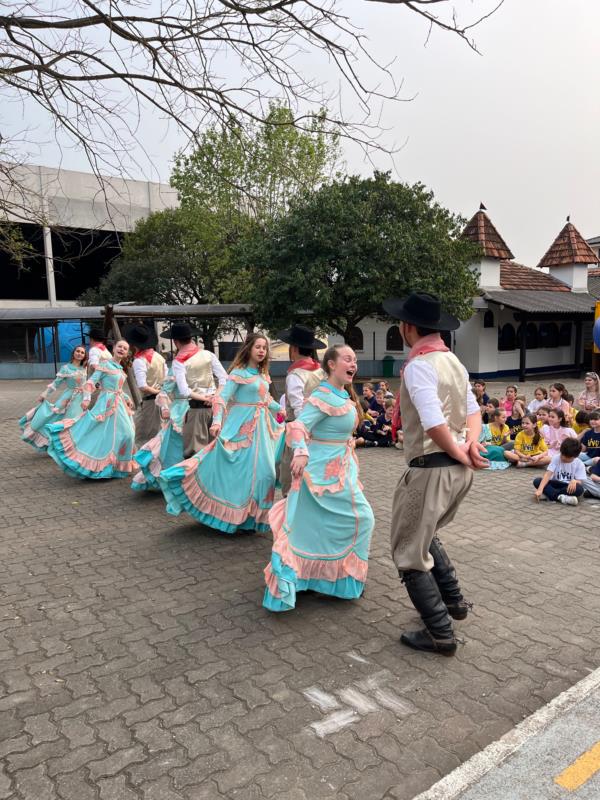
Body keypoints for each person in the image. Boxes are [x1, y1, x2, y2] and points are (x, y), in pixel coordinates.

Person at [382, 292, 487, 656]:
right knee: (423, 536)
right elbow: (474, 412)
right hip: (456, 471)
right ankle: (453, 604)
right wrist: (471, 447)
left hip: (431, 470)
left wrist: (460, 449)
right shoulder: (452, 361)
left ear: (408, 327)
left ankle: (441, 634)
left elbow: (433, 423)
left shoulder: (419, 365)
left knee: (407, 550)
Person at [263, 344, 374, 611]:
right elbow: (298, 425)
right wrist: (300, 452)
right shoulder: (322, 395)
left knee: (325, 526)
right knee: (362, 519)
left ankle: (335, 581)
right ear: (331, 365)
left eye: (355, 360)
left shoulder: (342, 394)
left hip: (341, 470)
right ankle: (319, 577)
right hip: (322, 474)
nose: (353, 364)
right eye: (347, 359)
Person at [159, 333, 284, 533]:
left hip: (262, 429)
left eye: (265, 347)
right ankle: (238, 517)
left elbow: (266, 398)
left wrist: (280, 409)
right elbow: (221, 398)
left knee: (266, 473)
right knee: (240, 473)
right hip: (241, 427)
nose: (262, 351)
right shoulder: (238, 374)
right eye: (258, 347)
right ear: (248, 349)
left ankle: (254, 517)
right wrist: (217, 421)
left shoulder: (262, 375)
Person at [46, 339, 136, 479]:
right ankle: (98, 465)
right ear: (113, 348)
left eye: (125, 348)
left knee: (127, 434)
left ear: (126, 353)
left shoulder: (120, 369)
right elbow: (90, 382)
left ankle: (118, 465)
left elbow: (118, 389)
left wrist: (127, 398)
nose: (121, 350)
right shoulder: (104, 364)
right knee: (102, 433)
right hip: (105, 404)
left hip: (119, 405)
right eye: (119, 346)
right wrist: (87, 398)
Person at [162, 323, 227, 458]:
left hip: (196, 410)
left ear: (175, 342)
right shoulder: (208, 354)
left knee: (195, 452)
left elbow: (185, 391)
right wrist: (215, 397)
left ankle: (195, 479)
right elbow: (224, 379)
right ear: (191, 338)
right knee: (215, 450)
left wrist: (205, 398)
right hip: (216, 409)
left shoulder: (178, 362)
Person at [276, 324, 326, 497]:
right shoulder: (321, 371)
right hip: (319, 430)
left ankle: (290, 516)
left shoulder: (295, 375)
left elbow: (297, 409)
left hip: (298, 433)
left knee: (290, 478)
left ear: (294, 348)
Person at [131, 368, 190, 492]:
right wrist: (164, 408)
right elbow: (163, 393)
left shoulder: (202, 363)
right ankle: (173, 478)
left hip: (198, 411)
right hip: (179, 412)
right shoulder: (176, 368)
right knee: (174, 447)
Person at [19, 345, 88, 452]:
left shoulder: (85, 368)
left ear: (84, 356)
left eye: (82, 352)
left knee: (76, 421)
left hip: (81, 398)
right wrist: (44, 394)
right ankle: (57, 443)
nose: (79, 353)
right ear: (73, 353)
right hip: (68, 397)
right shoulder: (65, 368)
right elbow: (56, 383)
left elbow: (88, 384)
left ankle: (72, 446)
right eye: (77, 351)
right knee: (55, 417)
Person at [126, 324, 168, 448]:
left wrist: (157, 392)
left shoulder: (139, 361)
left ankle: (144, 463)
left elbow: (143, 386)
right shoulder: (159, 357)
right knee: (159, 430)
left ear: (134, 345)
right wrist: (162, 392)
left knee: (142, 434)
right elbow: (167, 377)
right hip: (163, 399)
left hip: (150, 401)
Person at [533, 438, 585, 505]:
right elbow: (548, 474)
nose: (563, 458)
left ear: (575, 456)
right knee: (537, 481)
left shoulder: (579, 464)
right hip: (555, 483)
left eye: (567, 457)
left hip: (567, 486)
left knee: (579, 489)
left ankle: (551, 495)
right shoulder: (556, 458)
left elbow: (580, 481)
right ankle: (561, 497)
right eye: (562, 454)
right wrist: (540, 489)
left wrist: (575, 481)